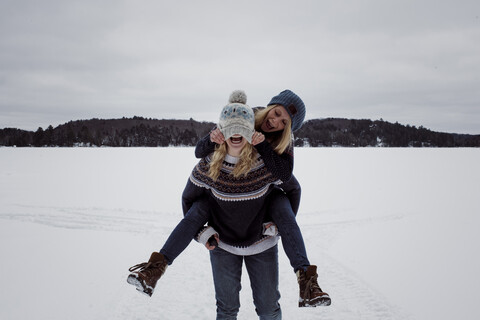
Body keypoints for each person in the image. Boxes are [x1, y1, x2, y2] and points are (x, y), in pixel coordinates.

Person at [128, 91, 288, 318]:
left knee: (268, 309)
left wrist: (279, 224)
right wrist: (203, 233)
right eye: (230, 128)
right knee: (226, 309)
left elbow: (291, 188)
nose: (236, 133)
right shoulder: (209, 164)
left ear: (250, 133)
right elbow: (190, 203)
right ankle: (155, 267)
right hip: (223, 245)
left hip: (261, 244)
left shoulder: (265, 163)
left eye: (241, 129)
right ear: (221, 133)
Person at [195, 89, 331, 307]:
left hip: (263, 198)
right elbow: (199, 151)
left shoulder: (283, 141)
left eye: (283, 122)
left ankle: (306, 279)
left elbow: (285, 175)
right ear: (270, 106)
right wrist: (211, 139)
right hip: (229, 200)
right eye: (276, 113)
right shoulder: (244, 115)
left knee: (284, 203)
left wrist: (263, 146)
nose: (275, 121)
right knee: (226, 306)